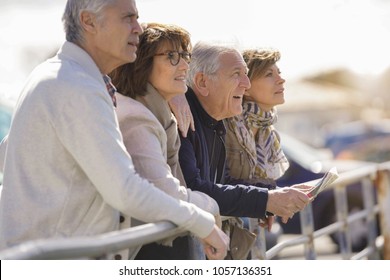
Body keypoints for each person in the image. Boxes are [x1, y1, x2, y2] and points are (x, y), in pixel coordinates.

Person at [0, 0, 228, 260]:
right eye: (127, 18)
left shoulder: (57, 76)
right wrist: (203, 222)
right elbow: (124, 190)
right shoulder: (76, 85)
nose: (138, 29)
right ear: (88, 21)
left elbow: (8, 154)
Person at [177, 41, 312, 257]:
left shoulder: (216, 121)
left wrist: (266, 199)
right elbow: (195, 189)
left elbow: (222, 182)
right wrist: (266, 200)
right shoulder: (184, 120)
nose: (246, 84)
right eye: (236, 74)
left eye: (246, 74)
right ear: (202, 82)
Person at [109, 22, 220, 259]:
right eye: (171, 56)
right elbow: (167, 195)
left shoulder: (159, 116)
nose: (184, 64)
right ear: (141, 63)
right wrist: (210, 207)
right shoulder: (136, 118)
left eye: (185, 55)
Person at [224, 48, 289, 258]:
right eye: (270, 75)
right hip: (222, 232)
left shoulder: (267, 131)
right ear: (246, 85)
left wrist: (266, 202)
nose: (281, 80)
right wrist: (264, 199)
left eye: (278, 72)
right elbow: (222, 181)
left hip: (246, 231)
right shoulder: (227, 123)